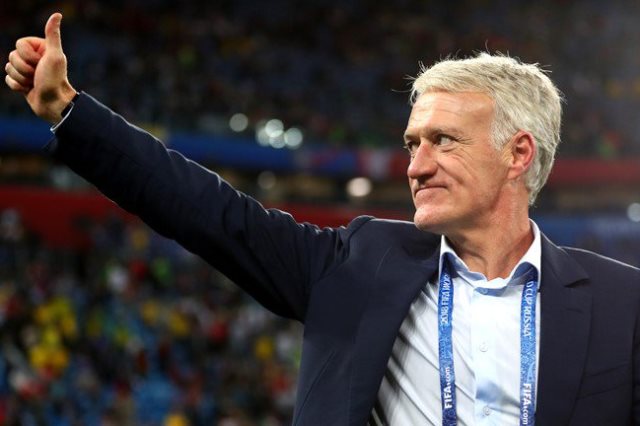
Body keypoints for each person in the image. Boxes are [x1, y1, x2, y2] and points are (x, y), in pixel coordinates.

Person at [5, 12, 640, 426]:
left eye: (443, 141)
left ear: (517, 154)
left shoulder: (622, 301)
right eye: (412, 143)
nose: (417, 166)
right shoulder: (357, 265)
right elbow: (205, 211)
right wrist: (67, 110)